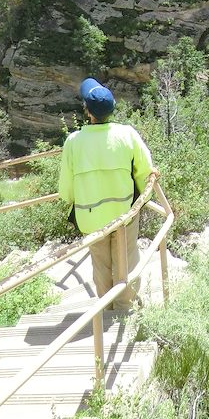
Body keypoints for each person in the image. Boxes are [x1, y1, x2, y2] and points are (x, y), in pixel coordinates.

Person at [58, 78, 157, 312]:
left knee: (100, 264)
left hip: (90, 216)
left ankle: (105, 308)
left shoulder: (73, 142)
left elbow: (66, 188)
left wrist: (74, 200)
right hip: (124, 213)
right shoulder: (127, 134)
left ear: (88, 111)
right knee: (127, 260)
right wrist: (144, 196)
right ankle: (126, 306)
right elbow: (144, 171)